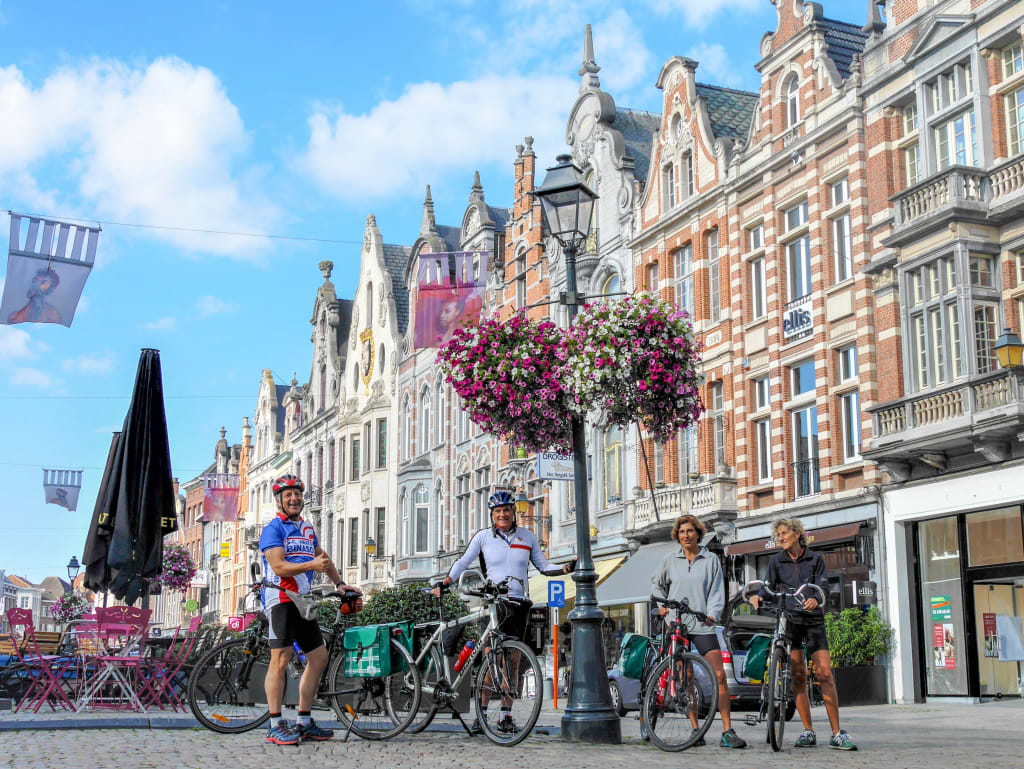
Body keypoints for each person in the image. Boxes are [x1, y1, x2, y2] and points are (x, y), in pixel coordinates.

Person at [434, 489, 573, 733]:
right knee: (493, 660)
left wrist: (565, 569)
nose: (502, 515)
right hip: (494, 604)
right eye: (497, 511)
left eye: (506, 510)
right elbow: (464, 561)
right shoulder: (483, 538)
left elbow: (543, 566)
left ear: (513, 513)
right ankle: (482, 716)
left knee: (514, 660)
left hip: (519, 604)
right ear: (492, 515)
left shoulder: (527, 537)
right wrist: (446, 581)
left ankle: (506, 716)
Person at [259, 473, 361, 746]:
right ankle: (275, 724)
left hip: (302, 599)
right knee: (279, 660)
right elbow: (279, 566)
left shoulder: (306, 528)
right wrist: (310, 566)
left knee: (319, 658)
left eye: (298, 494)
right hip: (280, 596)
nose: (294, 499)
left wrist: (339, 583)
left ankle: (303, 721)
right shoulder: (273, 528)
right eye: (288, 495)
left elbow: (323, 560)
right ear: (279, 500)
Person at [749, 518, 855, 751]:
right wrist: (758, 595)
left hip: (813, 620)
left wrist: (816, 598)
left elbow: (824, 587)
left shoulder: (815, 559)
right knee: (798, 675)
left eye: (784, 533)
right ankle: (808, 731)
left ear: (797, 534)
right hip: (790, 620)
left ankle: (837, 733)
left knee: (824, 673)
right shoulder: (776, 561)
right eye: (778, 535)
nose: (781, 538)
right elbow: (767, 587)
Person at [651, 514, 746, 749]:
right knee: (686, 679)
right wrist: (661, 607)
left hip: (702, 623)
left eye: (690, 531)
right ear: (677, 535)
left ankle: (727, 730)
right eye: (682, 532)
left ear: (698, 533)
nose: (686, 535)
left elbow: (716, 590)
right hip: (677, 623)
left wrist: (713, 613)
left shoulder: (710, 559)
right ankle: (696, 729)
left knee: (719, 676)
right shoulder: (669, 559)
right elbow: (656, 584)